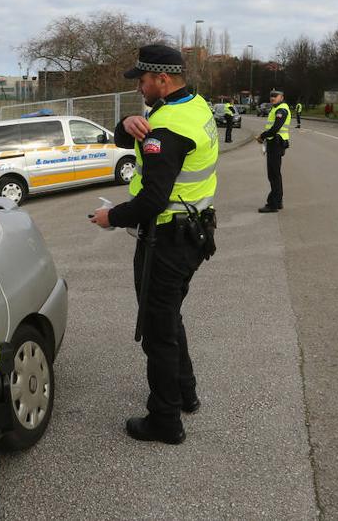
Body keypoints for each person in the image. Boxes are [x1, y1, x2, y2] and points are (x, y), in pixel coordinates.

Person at [89, 44, 218, 446]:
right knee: (170, 317)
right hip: (192, 234)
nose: (139, 87)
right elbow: (132, 138)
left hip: (166, 241)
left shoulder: (167, 130)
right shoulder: (193, 105)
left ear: (162, 80)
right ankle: (186, 394)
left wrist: (113, 218)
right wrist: (126, 123)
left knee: (158, 332)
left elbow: (151, 200)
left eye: (142, 81)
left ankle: (165, 420)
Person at [256, 90, 290, 213]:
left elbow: (275, 128)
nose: (272, 98)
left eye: (275, 96)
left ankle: (273, 204)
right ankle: (278, 201)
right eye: (271, 96)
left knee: (274, 175)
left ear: (282, 97)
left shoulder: (281, 110)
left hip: (276, 144)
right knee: (276, 174)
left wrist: (262, 135)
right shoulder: (277, 108)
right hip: (275, 143)